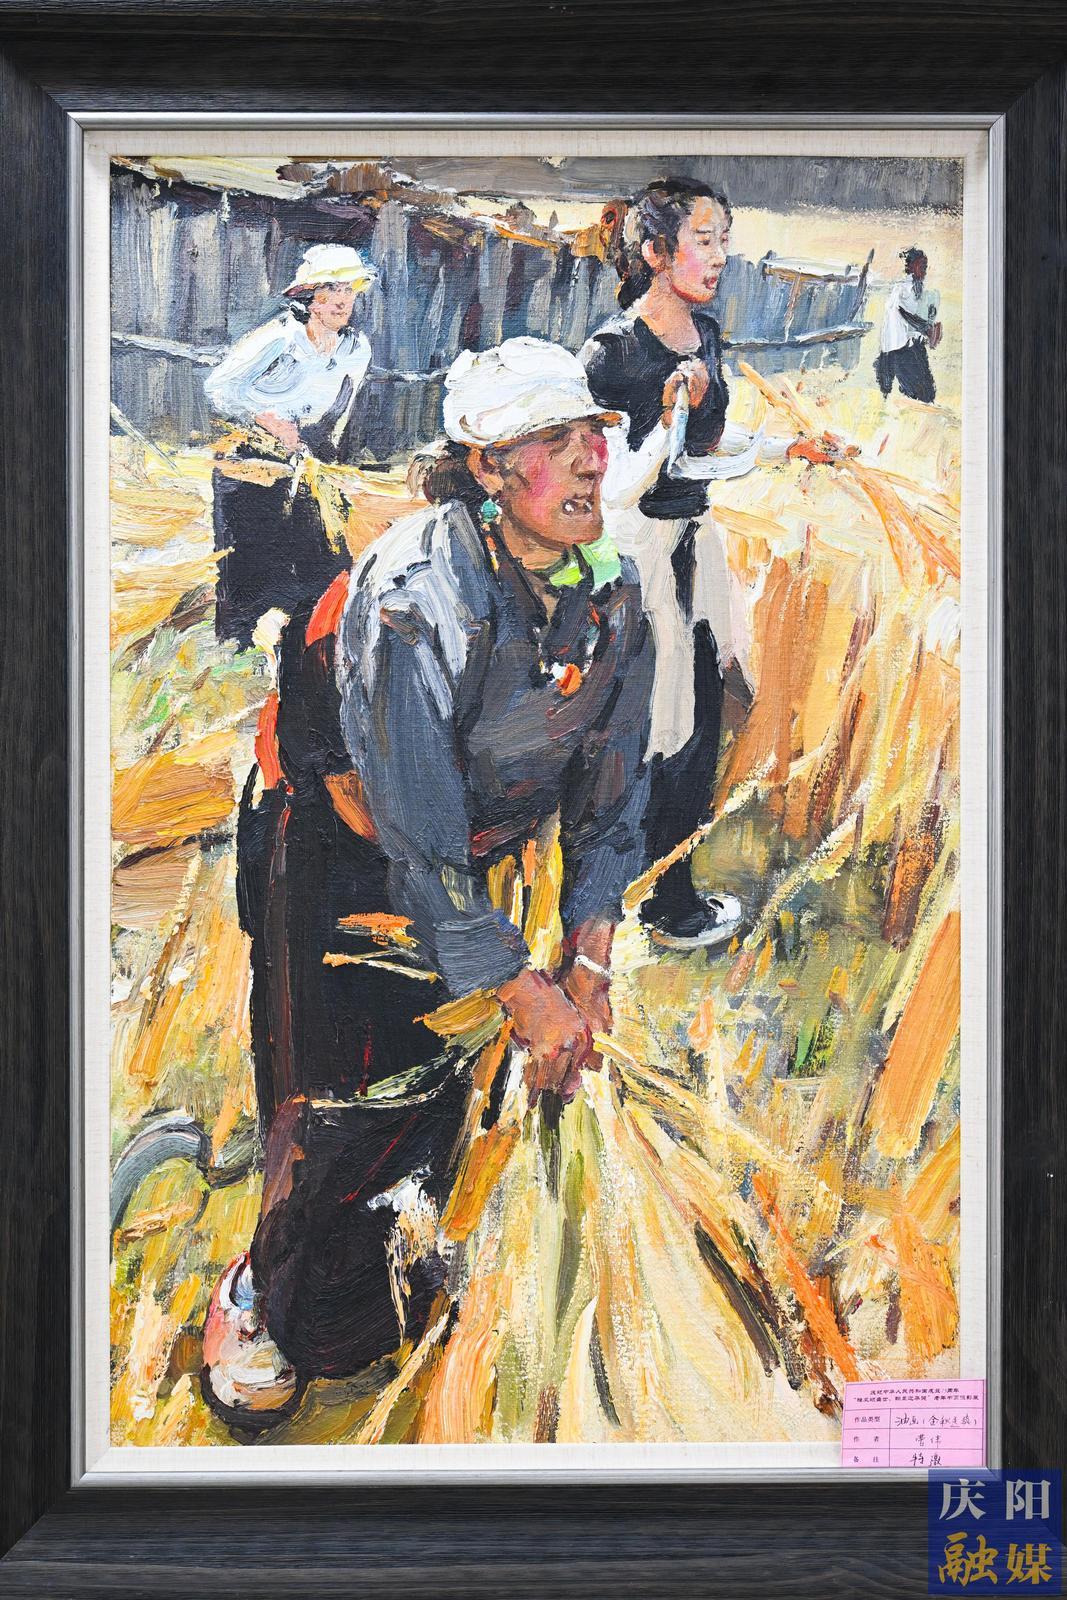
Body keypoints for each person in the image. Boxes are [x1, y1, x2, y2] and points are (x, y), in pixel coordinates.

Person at [201, 337, 655, 1427]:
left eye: (592, 433)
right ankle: (260, 1297)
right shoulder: (416, 596)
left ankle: (358, 1291)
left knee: (442, 1090)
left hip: (460, 856)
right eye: (553, 440)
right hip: (337, 846)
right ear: (487, 467)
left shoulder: (611, 592)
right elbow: (413, 829)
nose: (590, 458)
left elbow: (612, 797)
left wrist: (587, 958)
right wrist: (520, 984)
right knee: (341, 1099)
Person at [583, 178, 815, 949]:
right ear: (656, 252)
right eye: (703, 241)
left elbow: (705, 447)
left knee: (707, 708)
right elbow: (616, 484)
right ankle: (642, 901)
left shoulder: (704, 335)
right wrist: (669, 412)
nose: (719, 258)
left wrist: (788, 448)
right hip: (636, 554)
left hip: (693, 544)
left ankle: (670, 891)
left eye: (723, 242)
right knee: (656, 723)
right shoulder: (612, 355)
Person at [204, 243, 377, 649]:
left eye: (348, 290)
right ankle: (240, 643)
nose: (342, 301)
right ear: (310, 297)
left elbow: (341, 408)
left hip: (306, 459)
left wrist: (320, 449)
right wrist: (266, 417)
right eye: (331, 290)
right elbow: (219, 387)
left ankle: (307, 638)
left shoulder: (356, 349)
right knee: (251, 554)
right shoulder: (280, 338)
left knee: (320, 552)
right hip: (252, 455)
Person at [875, 246, 942, 403]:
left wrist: (931, 326)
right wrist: (928, 329)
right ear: (911, 266)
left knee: (926, 393)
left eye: (925, 266)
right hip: (898, 347)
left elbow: (923, 315)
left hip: (910, 345)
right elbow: (907, 315)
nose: (924, 270)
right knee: (918, 393)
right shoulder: (902, 289)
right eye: (921, 265)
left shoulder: (922, 290)